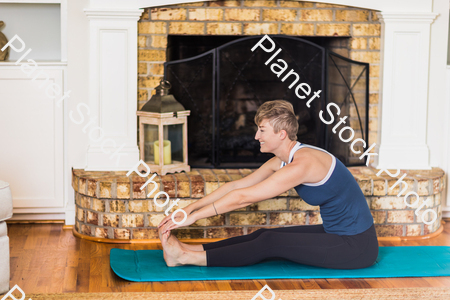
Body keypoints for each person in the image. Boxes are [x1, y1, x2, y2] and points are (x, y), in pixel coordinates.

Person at [158, 100, 379, 269]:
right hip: (336, 233)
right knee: (263, 234)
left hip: (357, 247)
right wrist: (188, 209)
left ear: (281, 134)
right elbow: (236, 187)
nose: (256, 136)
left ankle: (186, 257)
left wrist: (195, 217)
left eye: (262, 130)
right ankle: (186, 249)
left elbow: (243, 198)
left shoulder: (302, 165)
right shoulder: (285, 158)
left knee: (270, 242)